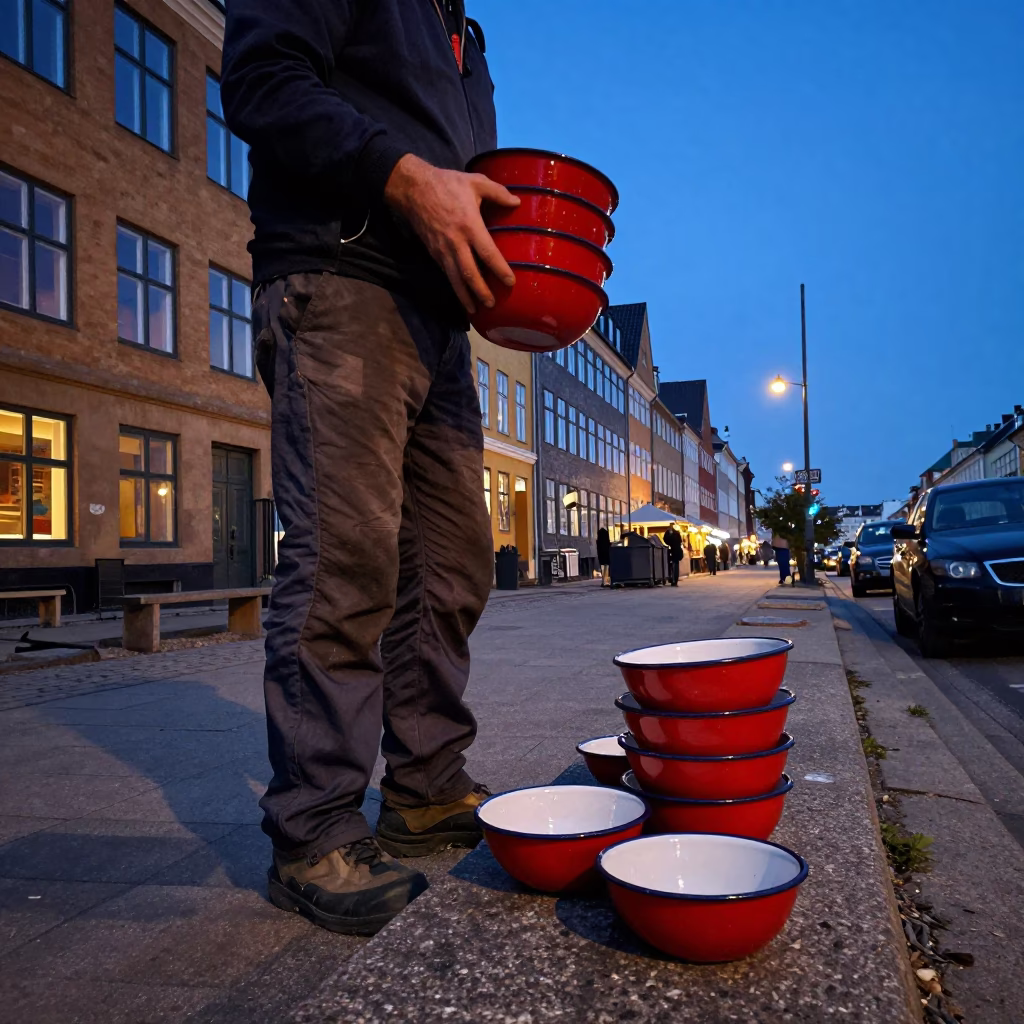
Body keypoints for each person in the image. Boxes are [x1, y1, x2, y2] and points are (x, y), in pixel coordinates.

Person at [221, 0, 517, 936]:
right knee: (345, 558)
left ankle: (426, 790)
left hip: (439, 320)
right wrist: (403, 178)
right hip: (340, 279)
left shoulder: (463, 34)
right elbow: (261, 78)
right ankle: (313, 829)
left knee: (452, 567)